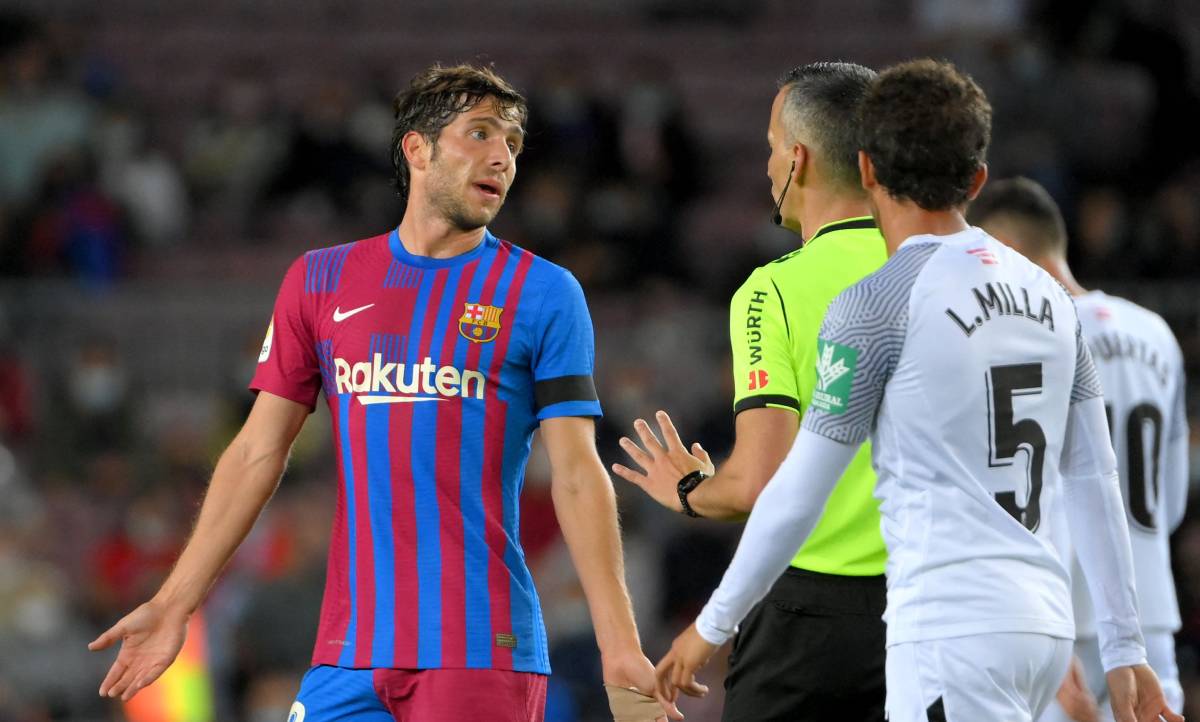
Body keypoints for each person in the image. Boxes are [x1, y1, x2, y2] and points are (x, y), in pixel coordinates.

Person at [88, 63, 678, 722]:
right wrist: (175, 602)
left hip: (481, 651)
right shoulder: (321, 279)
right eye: (479, 133)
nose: (501, 157)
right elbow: (256, 451)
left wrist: (620, 645)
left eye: (512, 143)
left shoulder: (544, 292)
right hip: (348, 655)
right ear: (417, 149)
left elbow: (575, 472)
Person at [652, 59, 1182, 722]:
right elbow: (1094, 476)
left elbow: (795, 491)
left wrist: (711, 625)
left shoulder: (877, 302)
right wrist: (1124, 645)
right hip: (1042, 628)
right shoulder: (1047, 295)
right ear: (978, 179)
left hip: (949, 630)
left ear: (868, 170)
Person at [612, 62, 889, 721]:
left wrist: (688, 490)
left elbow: (758, 484)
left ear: (798, 158)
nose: (767, 165)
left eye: (770, 147)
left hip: (812, 614)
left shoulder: (774, 290)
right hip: (940, 607)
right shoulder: (938, 270)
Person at [968, 177, 1189, 722]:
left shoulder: (1025, 337)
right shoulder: (1156, 332)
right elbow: (1173, 496)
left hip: (1056, 619)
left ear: (1010, 252)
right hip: (1150, 621)